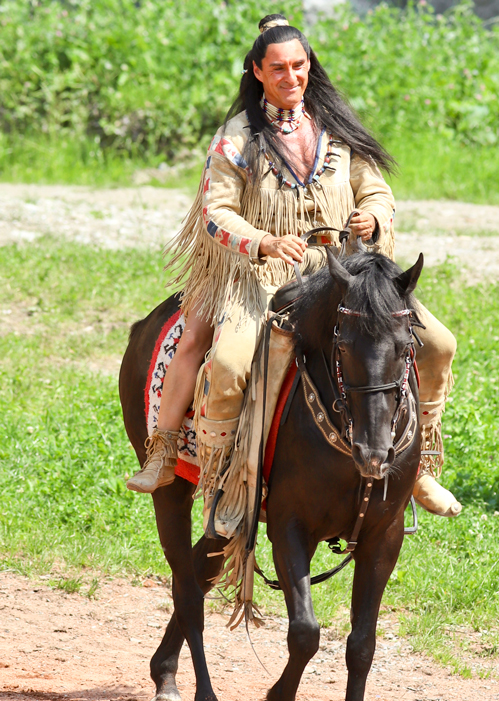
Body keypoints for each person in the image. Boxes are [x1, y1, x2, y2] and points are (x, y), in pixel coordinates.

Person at [127, 14, 461, 522]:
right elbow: (215, 213)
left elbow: (376, 187)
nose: (291, 77)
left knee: (439, 343)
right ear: (258, 72)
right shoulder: (237, 138)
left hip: (344, 272)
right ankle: (224, 488)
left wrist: (371, 212)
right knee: (230, 364)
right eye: (278, 68)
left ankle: (420, 467)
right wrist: (261, 241)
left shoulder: (337, 127)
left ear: (310, 66)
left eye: (299, 65)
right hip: (261, 276)